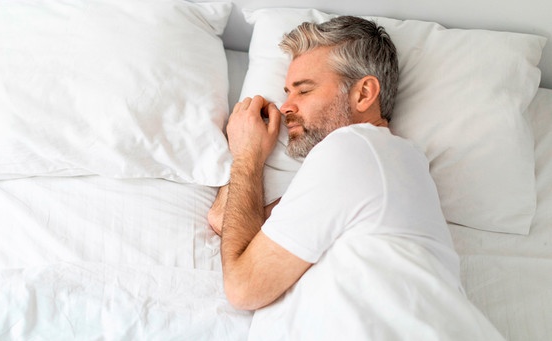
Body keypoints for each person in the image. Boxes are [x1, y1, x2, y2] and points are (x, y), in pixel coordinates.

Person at [208, 16, 504, 340]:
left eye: (304, 90)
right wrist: (244, 157)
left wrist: (248, 155)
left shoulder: (353, 148)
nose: (286, 106)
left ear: (363, 93)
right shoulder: (380, 162)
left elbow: (242, 286)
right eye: (287, 92)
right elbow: (230, 222)